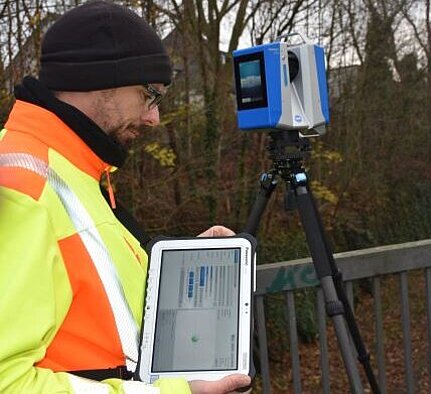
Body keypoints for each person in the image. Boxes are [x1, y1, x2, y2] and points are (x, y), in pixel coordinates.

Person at [0, 1, 251, 393]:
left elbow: (95, 308)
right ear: (100, 81)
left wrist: (175, 274)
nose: (153, 118)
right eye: (149, 95)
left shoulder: (75, 172)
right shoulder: (21, 188)